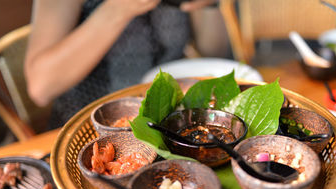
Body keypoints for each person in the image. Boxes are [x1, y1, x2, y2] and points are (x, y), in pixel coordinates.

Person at [24, 0, 218, 129]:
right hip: (92, 129)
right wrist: (118, 9)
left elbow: (212, 49)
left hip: (173, 118)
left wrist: (211, 5)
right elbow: (41, 87)